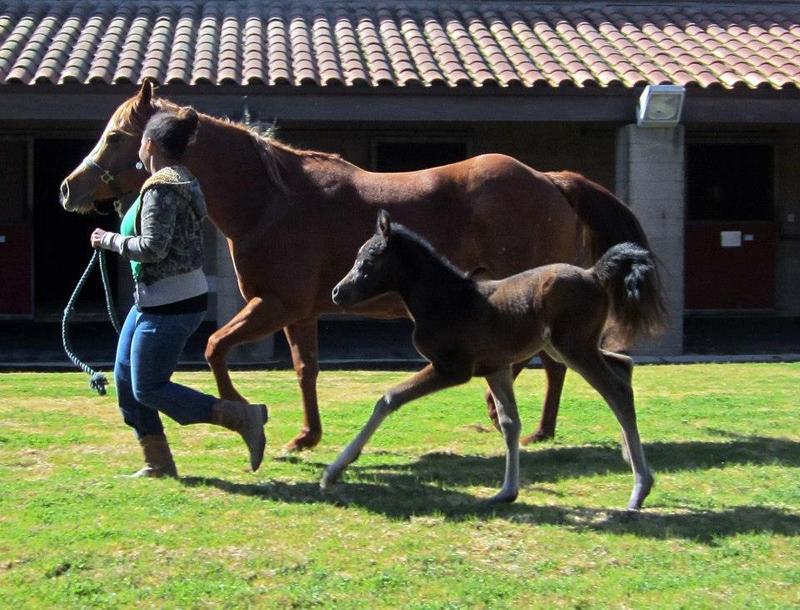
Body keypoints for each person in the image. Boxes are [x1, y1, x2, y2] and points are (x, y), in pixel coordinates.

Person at [90, 107, 267, 478]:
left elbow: (153, 248)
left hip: (169, 304)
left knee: (149, 387)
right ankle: (158, 463)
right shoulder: (181, 179)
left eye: (139, 142)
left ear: (150, 144)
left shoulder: (162, 189)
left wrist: (110, 240)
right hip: (155, 300)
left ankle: (240, 417)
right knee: (126, 381)